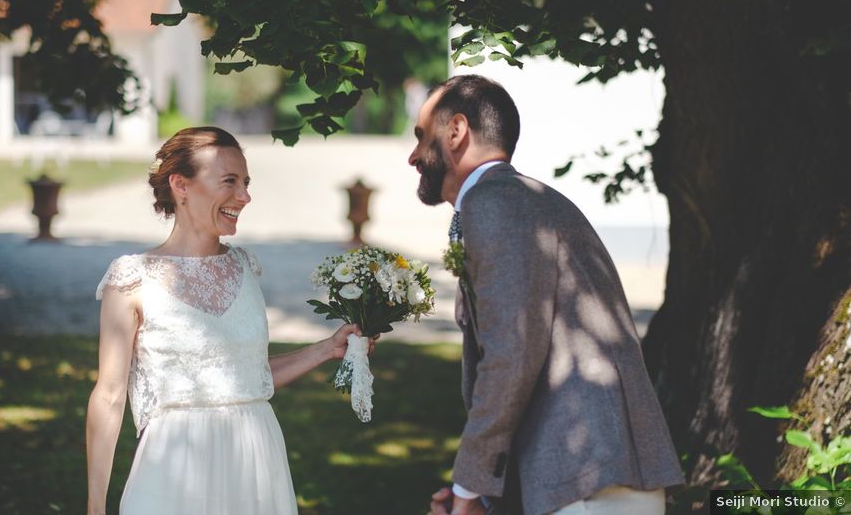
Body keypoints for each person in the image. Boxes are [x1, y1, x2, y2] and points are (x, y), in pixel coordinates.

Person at [408, 75, 684, 515]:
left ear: (457, 131)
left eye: (422, 137)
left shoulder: (494, 205)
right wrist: (482, 493)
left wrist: (468, 488)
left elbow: (510, 352)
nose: (413, 156)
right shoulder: (529, 200)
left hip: (585, 481)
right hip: (592, 477)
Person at [85, 126, 371, 515]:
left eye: (247, 182)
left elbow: (246, 376)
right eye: (230, 181)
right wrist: (95, 505)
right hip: (174, 467)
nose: (245, 196)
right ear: (180, 185)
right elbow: (109, 395)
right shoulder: (133, 278)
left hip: (255, 460)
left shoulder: (244, 267)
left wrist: (326, 349)